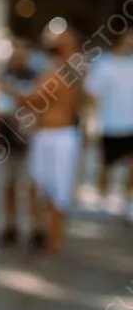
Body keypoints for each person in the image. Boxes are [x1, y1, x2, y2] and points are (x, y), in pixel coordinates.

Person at [14, 28, 86, 253]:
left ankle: (54, 242)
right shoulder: (58, 68)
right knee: (39, 187)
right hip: (47, 134)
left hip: (60, 136)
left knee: (58, 192)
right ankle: (43, 234)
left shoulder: (69, 70)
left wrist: (7, 89)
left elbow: (35, 98)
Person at [0, 38, 40, 247]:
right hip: (7, 138)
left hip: (29, 139)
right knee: (8, 184)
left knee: (31, 186)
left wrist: (14, 93)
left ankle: (36, 227)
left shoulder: (36, 76)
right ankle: (9, 225)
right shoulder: (3, 75)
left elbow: (35, 101)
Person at [85, 28, 133, 224]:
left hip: (131, 124)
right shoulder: (103, 64)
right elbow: (93, 95)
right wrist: (91, 121)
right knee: (106, 166)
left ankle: (129, 204)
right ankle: (103, 201)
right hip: (110, 124)